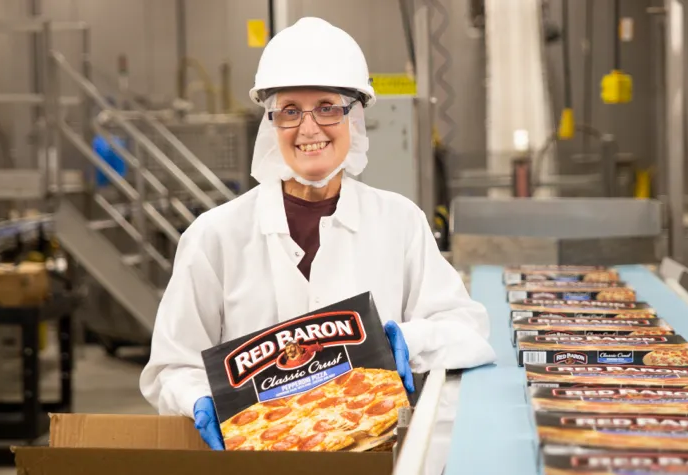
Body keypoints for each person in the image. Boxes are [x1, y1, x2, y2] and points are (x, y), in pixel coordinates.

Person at [139, 16, 495, 474]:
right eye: (290, 110)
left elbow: (469, 331)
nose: (309, 128)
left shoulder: (399, 221)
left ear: (355, 116)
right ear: (271, 122)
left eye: (327, 107)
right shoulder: (215, 236)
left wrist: (412, 340)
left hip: (375, 458)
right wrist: (197, 398)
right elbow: (171, 366)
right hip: (256, 461)